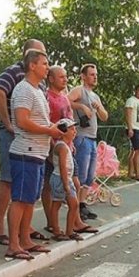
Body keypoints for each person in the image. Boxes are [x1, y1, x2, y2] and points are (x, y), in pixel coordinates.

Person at [0, 39, 48, 246]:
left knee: (28, 189)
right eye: (40, 55)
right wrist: (8, 123)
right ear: (29, 57)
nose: (45, 60)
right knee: (9, 180)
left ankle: (24, 230)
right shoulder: (14, 72)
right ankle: (0, 229)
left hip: (35, 142)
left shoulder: (39, 82)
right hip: (16, 137)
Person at [5, 49, 60, 260]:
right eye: (44, 64)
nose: (47, 67)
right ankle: (13, 244)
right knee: (19, 199)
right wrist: (49, 130)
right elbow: (22, 121)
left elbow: (40, 121)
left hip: (37, 152)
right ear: (32, 66)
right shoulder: (24, 90)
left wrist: (55, 128)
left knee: (30, 198)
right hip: (25, 151)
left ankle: (26, 240)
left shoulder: (38, 90)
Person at [42, 66, 98, 237]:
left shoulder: (64, 98)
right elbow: (47, 122)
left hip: (68, 146)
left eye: (66, 77)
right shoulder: (47, 97)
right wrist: (53, 146)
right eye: (61, 77)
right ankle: (53, 224)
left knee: (75, 183)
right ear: (51, 79)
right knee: (51, 186)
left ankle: (75, 223)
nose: (65, 80)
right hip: (54, 146)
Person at [68, 64, 108, 221]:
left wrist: (98, 108)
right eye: (92, 74)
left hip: (92, 138)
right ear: (83, 76)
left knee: (90, 176)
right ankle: (75, 207)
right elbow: (65, 101)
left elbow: (105, 117)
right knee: (81, 174)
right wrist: (81, 106)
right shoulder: (80, 90)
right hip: (82, 137)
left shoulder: (95, 96)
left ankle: (82, 205)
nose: (95, 77)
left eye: (96, 74)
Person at [48, 118, 84, 241]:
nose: (75, 131)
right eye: (71, 129)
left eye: (75, 129)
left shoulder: (65, 146)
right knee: (57, 204)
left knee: (74, 204)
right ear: (63, 131)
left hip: (66, 179)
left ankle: (70, 230)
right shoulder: (62, 147)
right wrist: (66, 184)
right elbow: (62, 166)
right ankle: (56, 230)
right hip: (60, 179)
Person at [124, 84, 139, 181]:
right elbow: (128, 114)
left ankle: (130, 173)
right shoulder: (131, 100)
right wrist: (130, 128)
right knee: (138, 151)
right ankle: (138, 174)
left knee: (134, 151)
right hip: (133, 128)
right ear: (135, 91)